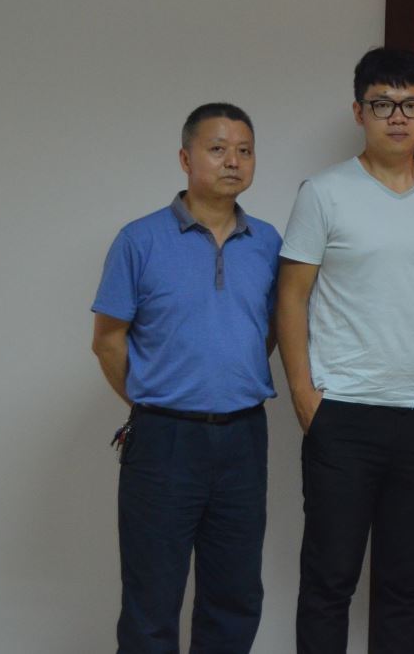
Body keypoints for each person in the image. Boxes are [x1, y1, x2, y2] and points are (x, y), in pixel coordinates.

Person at [275, 47, 414, 654]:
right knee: (328, 581)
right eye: (383, 104)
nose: (397, 117)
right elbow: (291, 298)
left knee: (408, 586)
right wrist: (304, 395)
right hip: (344, 414)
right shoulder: (323, 192)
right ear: (358, 111)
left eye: (410, 105)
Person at [91, 102, 281, 654]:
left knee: (235, 595)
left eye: (244, 151)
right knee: (152, 600)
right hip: (163, 440)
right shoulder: (140, 240)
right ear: (185, 158)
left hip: (244, 438)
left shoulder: (268, 242)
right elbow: (108, 340)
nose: (233, 161)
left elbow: (269, 331)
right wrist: (159, 397)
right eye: (217, 149)